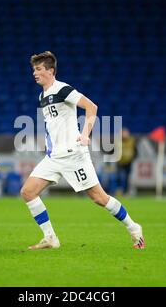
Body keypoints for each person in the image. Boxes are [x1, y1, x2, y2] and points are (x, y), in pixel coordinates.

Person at [20, 51, 145, 250]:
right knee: (28, 192)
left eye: (39, 69)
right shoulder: (42, 95)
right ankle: (50, 238)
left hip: (73, 155)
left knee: (99, 198)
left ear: (51, 71)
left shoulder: (63, 89)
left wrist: (85, 133)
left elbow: (91, 107)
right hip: (53, 157)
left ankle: (134, 227)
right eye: (33, 69)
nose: (34, 73)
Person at [116, 127, 137, 195]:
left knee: (127, 177)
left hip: (128, 162)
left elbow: (135, 151)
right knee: (119, 176)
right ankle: (119, 190)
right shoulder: (118, 141)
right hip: (120, 162)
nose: (124, 134)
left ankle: (126, 191)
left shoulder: (132, 141)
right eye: (123, 133)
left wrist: (133, 158)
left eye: (125, 133)